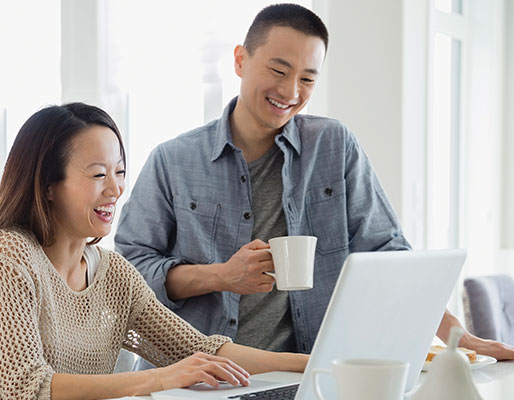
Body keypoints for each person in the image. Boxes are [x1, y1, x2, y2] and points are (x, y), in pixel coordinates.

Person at [115, 3, 514, 360]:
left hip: (311, 374)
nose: (290, 92)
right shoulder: (174, 160)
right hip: (201, 377)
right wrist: (221, 275)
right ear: (240, 60)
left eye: (307, 79)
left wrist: (458, 337)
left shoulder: (333, 146)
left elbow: (388, 256)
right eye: (278, 70)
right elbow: (130, 270)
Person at [0, 103, 307, 399]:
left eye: (119, 172)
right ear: (49, 185)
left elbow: (199, 348)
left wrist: (311, 362)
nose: (115, 190)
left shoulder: (112, 273)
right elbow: (27, 389)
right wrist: (157, 380)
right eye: (98, 175)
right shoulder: (8, 256)